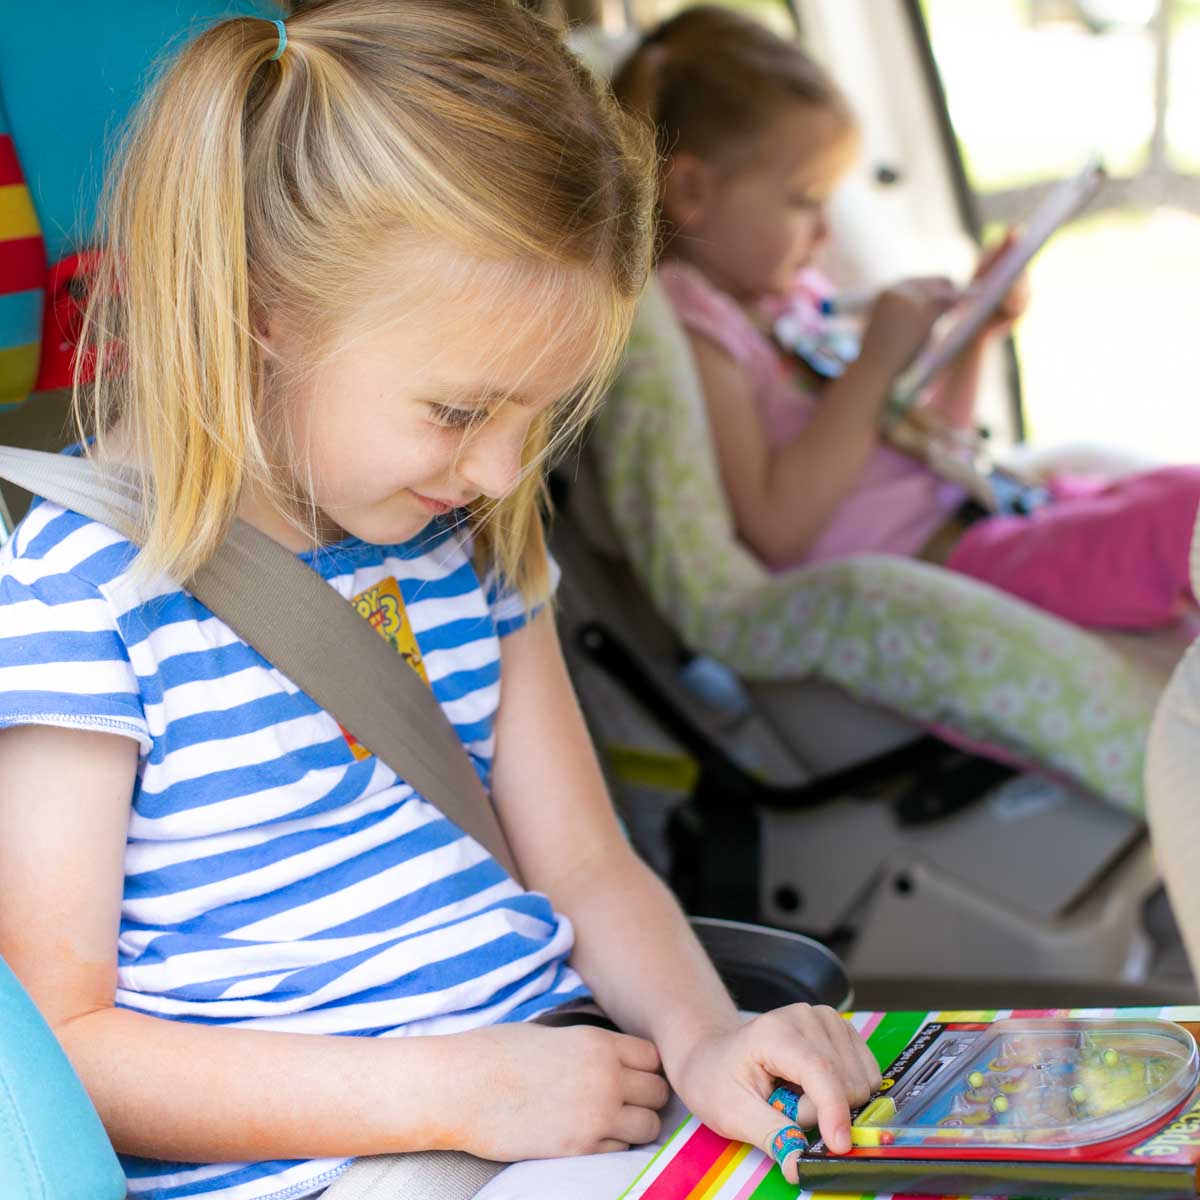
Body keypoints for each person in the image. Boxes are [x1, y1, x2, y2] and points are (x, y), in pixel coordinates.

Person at [0, 5, 882, 1200]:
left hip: (558, 1118)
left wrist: (705, 1034)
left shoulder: (459, 542)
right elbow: (62, 1050)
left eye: (540, 417)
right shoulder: (81, 597)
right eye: (462, 412)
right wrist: (453, 1094)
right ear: (267, 310)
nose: (503, 475)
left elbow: (585, 867)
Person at [614, 6, 1200, 631]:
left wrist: (974, 337)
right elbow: (777, 528)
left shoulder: (794, 301)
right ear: (692, 191)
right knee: (1181, 512)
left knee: (1164, 493)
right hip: (945, 572)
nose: (825, 232)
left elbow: (930, 444)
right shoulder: (703, 333)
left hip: (988, 518)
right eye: (804, 201)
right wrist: (874, 367)